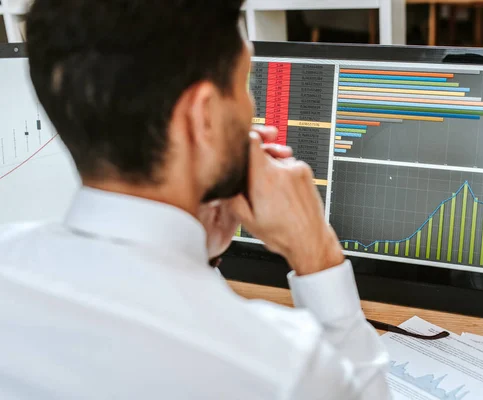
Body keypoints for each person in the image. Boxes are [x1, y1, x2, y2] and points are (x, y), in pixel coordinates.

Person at [0, 1, 392, 399]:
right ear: (203, 116)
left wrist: (202, 255)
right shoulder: (283, 367)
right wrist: (318, 253)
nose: (250, 109)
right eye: (244, 85)